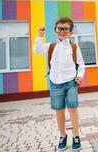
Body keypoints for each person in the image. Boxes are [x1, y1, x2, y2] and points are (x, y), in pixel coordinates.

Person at [33, 17, 85, 151]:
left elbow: (81, 65)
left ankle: (76, 136)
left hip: (71, 82)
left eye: (65, 29)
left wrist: (80, 76)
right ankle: (62, 136)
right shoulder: (50, 46)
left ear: (71, 32)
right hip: (55, 82)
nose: (62, 31)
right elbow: (37, 50)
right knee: (59, 110)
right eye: (59, 28)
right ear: (55, 30)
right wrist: (40, 35)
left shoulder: (73, 47)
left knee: (73, 109)